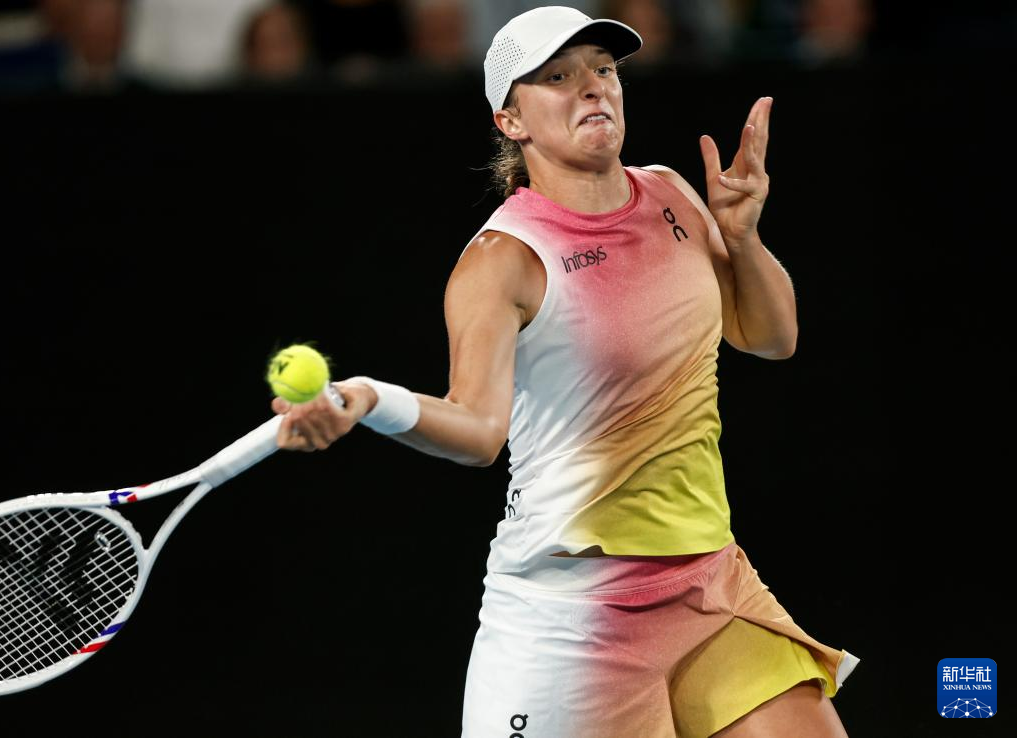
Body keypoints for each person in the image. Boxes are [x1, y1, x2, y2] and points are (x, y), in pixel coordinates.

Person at [270, 6, 860, 736]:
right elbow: (478, 431)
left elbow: (772, 338)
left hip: (710, 581)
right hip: (570, 614)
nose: (592, 87)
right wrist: (368, 397)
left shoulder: (673, 194)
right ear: (510, 120)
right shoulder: (502, 260)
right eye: (556, 77)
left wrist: (742, 238)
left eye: (603, 70)